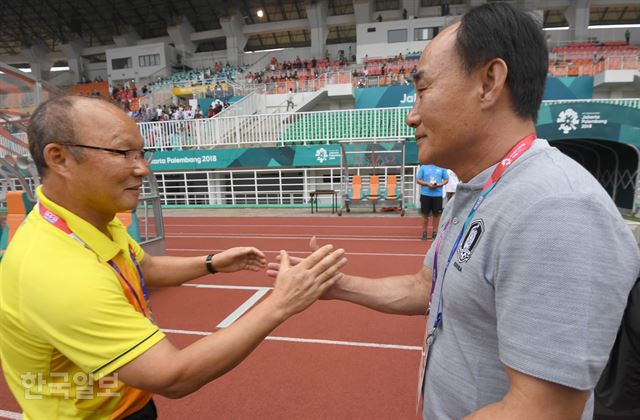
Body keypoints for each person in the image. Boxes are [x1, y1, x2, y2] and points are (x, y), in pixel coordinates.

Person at [269, 3, 639, 419]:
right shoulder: (478, 188)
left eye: (423, 90)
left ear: (489, 83)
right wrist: (335, 285)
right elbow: (427, 287)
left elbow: (541, 411)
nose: (412, 115)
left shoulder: (556, 210)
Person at [0, 95, 347, 419]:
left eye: (141, 153)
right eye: (123, 153)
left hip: (123, 397)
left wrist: (210, 263)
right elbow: (172, 376)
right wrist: (283, 302)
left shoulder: (86, 220)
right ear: (59, 158)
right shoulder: (58, 271)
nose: (142, 169)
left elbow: (142, 267)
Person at [416, 164, 448, 240]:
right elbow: (418, 180)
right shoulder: (423, 167)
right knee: (425, 215)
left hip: (437, 194)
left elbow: (446, 179)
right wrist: (427, 183)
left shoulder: (442, 167)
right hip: (425, 194)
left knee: (436, 215)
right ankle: (424, 233)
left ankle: (435, 233)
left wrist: (439, 184)